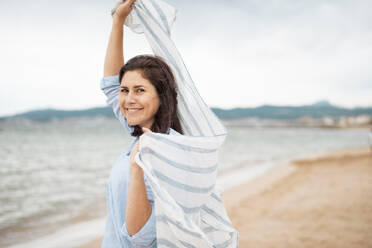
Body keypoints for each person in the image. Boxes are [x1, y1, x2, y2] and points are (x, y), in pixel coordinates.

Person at [100, 0, 184, 247]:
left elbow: (141, 238)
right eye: (125, 90)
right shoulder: (140, 132)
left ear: (161, 95)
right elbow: (110, 85)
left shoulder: (167, 149)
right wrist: (118, 22)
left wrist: (137, 169)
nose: (128, 99)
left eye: (139, 90)